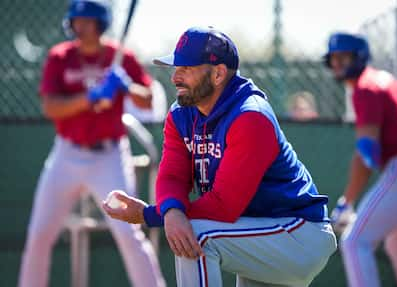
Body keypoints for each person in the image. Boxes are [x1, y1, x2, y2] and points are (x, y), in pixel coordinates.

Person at [103, 26, 337, 287]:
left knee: (197, 237)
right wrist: (170, 210)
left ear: (218, 74)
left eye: (187, 69)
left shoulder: (250, 116)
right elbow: (172, 175)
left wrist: (152, 214)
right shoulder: (182, 114)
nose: (175, 78)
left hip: (297, 234)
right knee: (191, 230)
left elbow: (224, 205)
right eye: (175, 68)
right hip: (256, 229)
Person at [18, 1, 165, 286]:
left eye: (86, 21)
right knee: (39, 233)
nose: (79, 26)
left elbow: (147, 100)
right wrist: (91, 97)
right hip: (66, 154)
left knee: (127, 233)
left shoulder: (121, 56)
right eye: (77, 21)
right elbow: (51, 107)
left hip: (108, 155)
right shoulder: (60, 57)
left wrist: (126, 87)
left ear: (100, 24)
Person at [324, 32, 397, 287]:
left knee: (353, 241)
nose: (338, 63)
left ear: (359, 57)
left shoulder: (365, 87)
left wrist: (346, 202)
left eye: (344, 57)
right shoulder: (387, 80)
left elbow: (366, 152)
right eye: (334, 58)